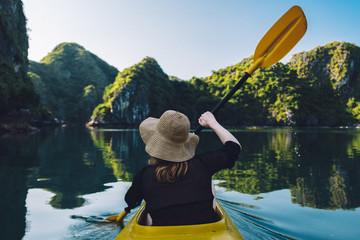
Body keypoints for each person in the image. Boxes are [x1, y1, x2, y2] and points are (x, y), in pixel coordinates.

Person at [122, 110, 241, 226]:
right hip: (204, 227)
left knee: (149, 208)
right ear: (185, 142)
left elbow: (131, 200)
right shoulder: (205, 163)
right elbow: (234, 147)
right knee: (209, 181)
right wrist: (212, 123)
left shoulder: (144, 176)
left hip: (162, 231)